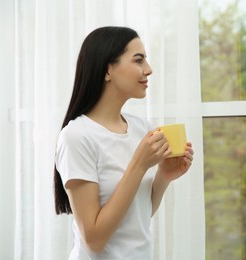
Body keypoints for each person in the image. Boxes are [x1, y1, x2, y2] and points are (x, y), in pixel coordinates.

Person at [53, 26, 194, 260]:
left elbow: (136, 217)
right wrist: (139, 164)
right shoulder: (77, 136)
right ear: (108, 69)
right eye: (138, 60)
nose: (148, 70)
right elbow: (94, 240)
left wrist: (164, 176)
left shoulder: (143, 129)